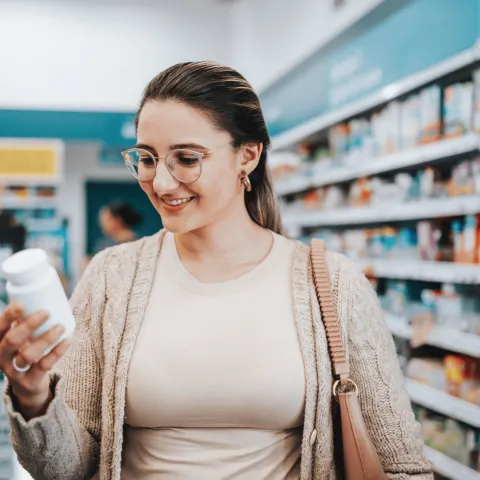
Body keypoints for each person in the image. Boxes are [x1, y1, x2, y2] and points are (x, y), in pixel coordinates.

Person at [0, 62, 433, 480]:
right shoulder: (112, 277)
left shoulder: (334, 286)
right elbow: (64, 469)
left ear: (248, 155)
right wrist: (34, 395)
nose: (162, 183)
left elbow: (402, 467)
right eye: (147, 158)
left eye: (187, 158)